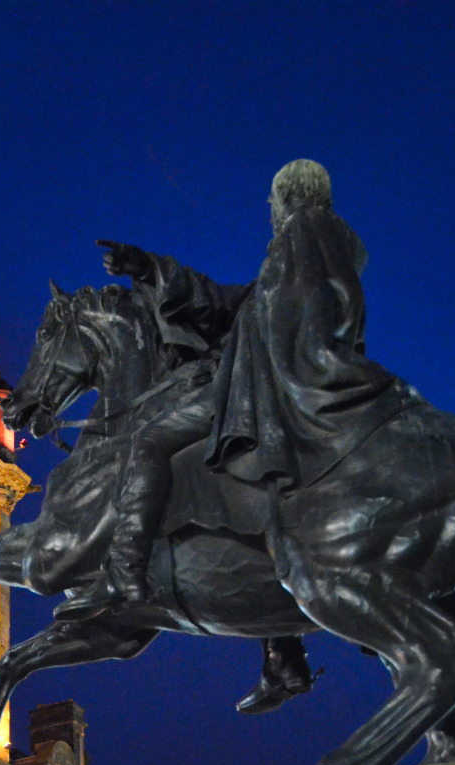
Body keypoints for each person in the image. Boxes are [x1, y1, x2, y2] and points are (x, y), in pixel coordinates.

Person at [57, 160, 413, 710]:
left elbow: (238, 311)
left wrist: (157, 280)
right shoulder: (322, 252)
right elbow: (225, 303)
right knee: (261, 499)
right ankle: (283, 651)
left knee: (150, 439)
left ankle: (124, 573)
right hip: (281, 390)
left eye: (272, 204)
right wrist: (148, 268)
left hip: (264, 394)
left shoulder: (300, 244)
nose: (269, 215)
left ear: (286, 201)